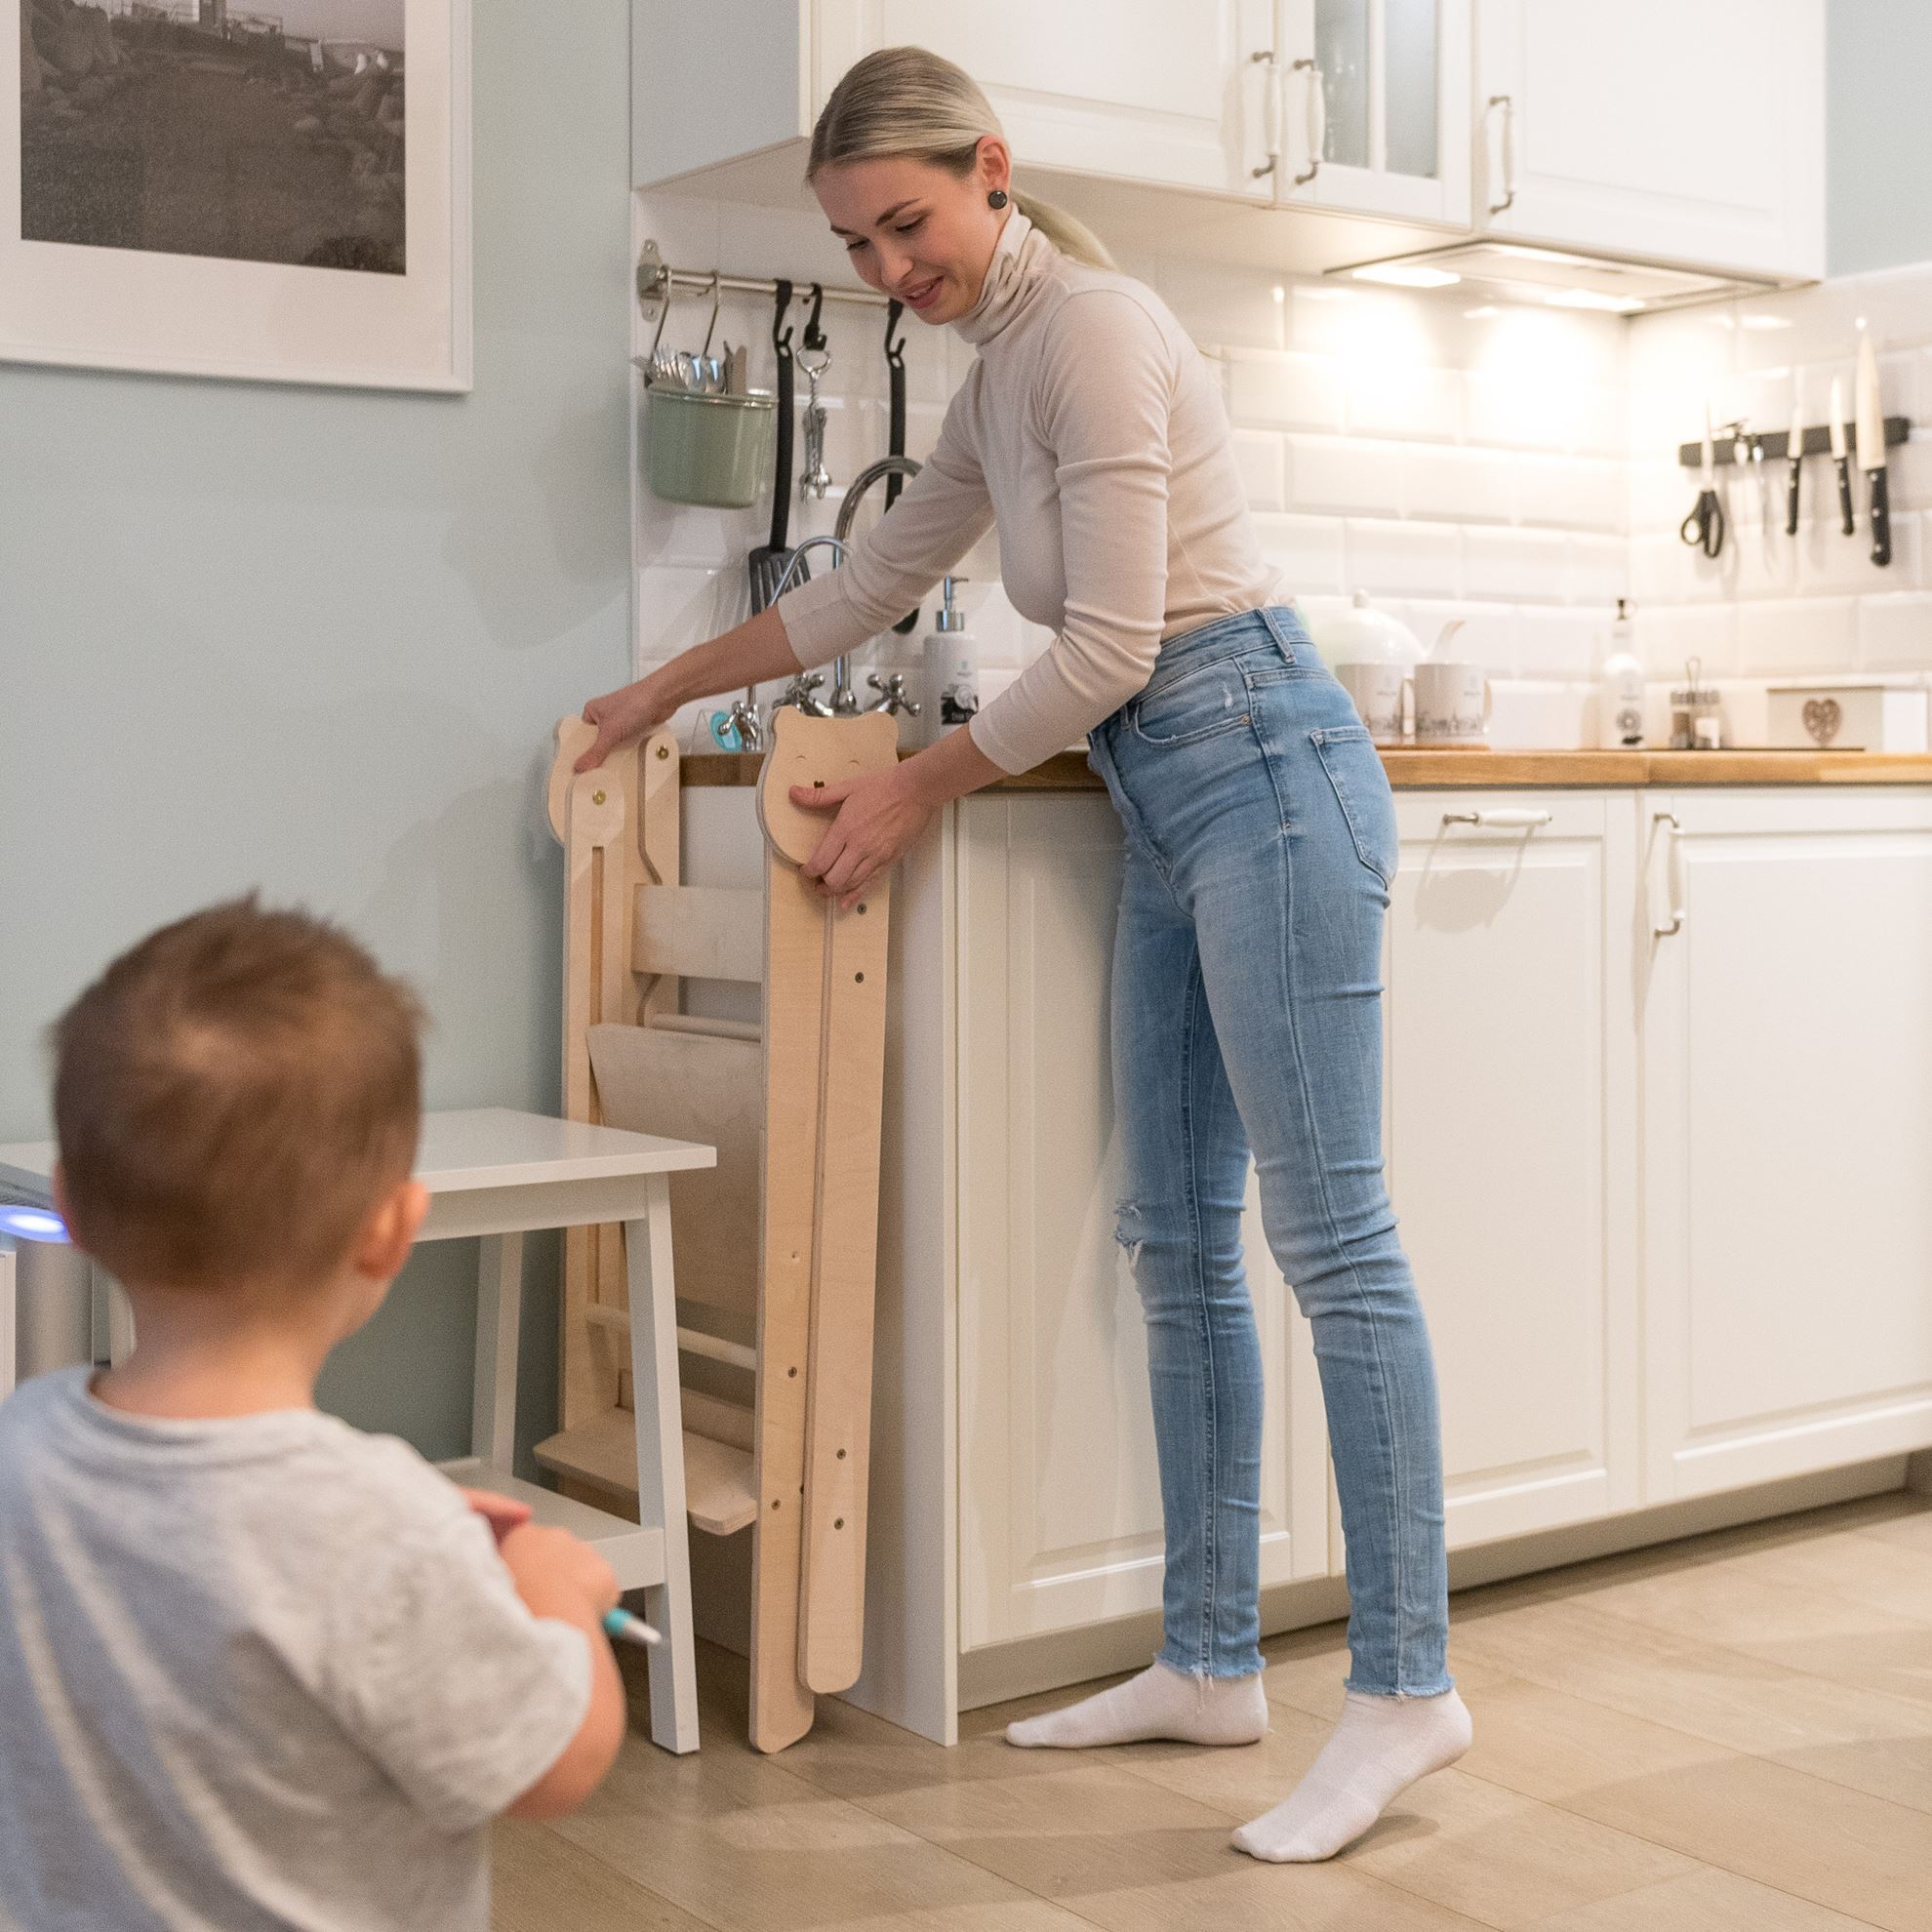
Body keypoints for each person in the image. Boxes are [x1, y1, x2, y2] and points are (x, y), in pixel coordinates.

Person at [577, 45, 1469, 1862]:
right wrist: (659, 689)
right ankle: (1211, 1657)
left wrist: (910, 787)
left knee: (1335, 1244)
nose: (889, 268)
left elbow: (1123, 636)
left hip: (1268, 765)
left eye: (906, 225)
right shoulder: (999, 379)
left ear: (992, 172)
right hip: (1168, 788)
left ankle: (1405, 1691)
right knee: (1171, 1239)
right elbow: (856, 592)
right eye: (857, 246)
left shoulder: (1099, 329)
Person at [0, 900, 626, 1929]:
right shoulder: (379, 1521)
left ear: (69, 1207)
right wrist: (561, 1591)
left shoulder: (22, 1449)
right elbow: (553, 1767)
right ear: (390, 1231)